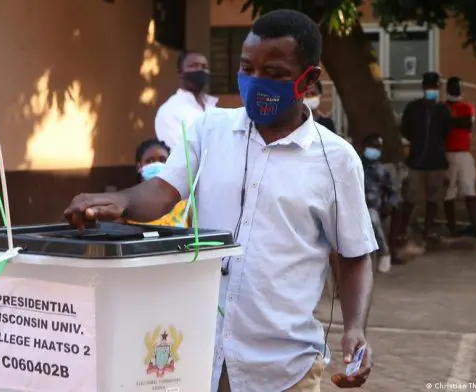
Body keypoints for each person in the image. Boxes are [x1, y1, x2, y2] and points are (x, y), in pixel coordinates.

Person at [65, 9, 375, 392]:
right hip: (199, 354)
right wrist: (121, 202)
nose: (257, 82)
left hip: (284, 367)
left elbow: (354, 254)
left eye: (275, 74)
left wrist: (355, 327)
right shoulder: (208, 130)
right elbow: (162, 192)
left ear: (308, 79)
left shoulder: (337, 160)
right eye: (247, 68)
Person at [398, 72, 452, 243]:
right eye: (429, 87)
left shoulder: (443, 110)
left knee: (433, 199)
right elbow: (405, 129)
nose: (432, 90)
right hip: (416, 161)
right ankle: (401, 231)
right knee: (410, 197)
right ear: (423, 87)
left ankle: (427, 232)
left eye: (435, 87)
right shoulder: (413, 107)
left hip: (436, 161)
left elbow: (447, 132)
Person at [443, 76, 476, 240]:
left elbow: (468, 124)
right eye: (454, 87)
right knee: (448, 192)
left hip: (464, 152)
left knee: (470, 191)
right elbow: (446, 125)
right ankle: (452, 229)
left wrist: (450, 122)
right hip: (446, 153)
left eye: (459, 87)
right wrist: (454, 122)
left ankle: (475, 226)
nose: (457, 90)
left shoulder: (467, 106)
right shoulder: (442, 107)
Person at [155, 51, 218, 150]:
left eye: (204, 67)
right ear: (180, 72)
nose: (200, 70)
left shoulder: (213, 108)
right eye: (193, 66)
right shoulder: (170, 111)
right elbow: (180, 152)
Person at [126, 138, 189, 227]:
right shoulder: (129, 204)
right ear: (139, 166)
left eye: (163, 160)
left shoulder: (184, 204)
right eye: (150, 161)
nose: (157, 164)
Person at [361, 134, 400, 273]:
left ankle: (384, 253)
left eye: (376, 147)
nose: (373, 150)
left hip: (373, 208)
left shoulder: (383, 170)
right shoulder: (354, 166)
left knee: (371, 219)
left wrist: (390, 204)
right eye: (370, 146)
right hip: (352, 207)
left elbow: (394, 193)